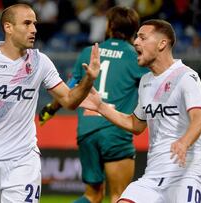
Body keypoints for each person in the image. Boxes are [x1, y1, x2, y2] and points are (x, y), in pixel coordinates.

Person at [0, 3, 100, 203]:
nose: (34, 29)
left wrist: (88, 80)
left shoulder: (40, 62)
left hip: (23, 159)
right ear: (8, 27)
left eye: (34, 24)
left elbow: (69, 101)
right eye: (27, 23)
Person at [79, 19, 201, 203]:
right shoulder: (145, 82)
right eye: (136, 37)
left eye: (143, 38)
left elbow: (200, 118)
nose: (136, 42)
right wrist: (100, 107)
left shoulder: (186, 76)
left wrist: (184, 142)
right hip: (153, 177)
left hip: (187, 175)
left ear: (162, 43)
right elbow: (135, 125)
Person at [39, 6, 148, 203]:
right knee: (119, 196)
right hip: (115, 130)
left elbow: (68, 92)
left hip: (87, 131)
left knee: (92, 195)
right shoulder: (135, 56)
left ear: (110, 26)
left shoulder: (89, 52)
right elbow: (152, 86)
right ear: (134, 29)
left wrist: (51, 109)